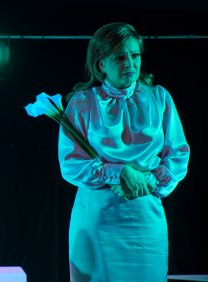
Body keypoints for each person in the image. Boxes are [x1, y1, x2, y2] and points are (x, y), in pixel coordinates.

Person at [58, 22, 190, 281]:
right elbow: (71, 164)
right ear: (101, 64)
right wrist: (117, 173)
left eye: (135, 54)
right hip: (97, 220)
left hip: (144, 220)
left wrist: (148, 180)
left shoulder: (159, 98)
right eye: (119, 56)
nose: (130, 62)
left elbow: (178, 155)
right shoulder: (82, 103)